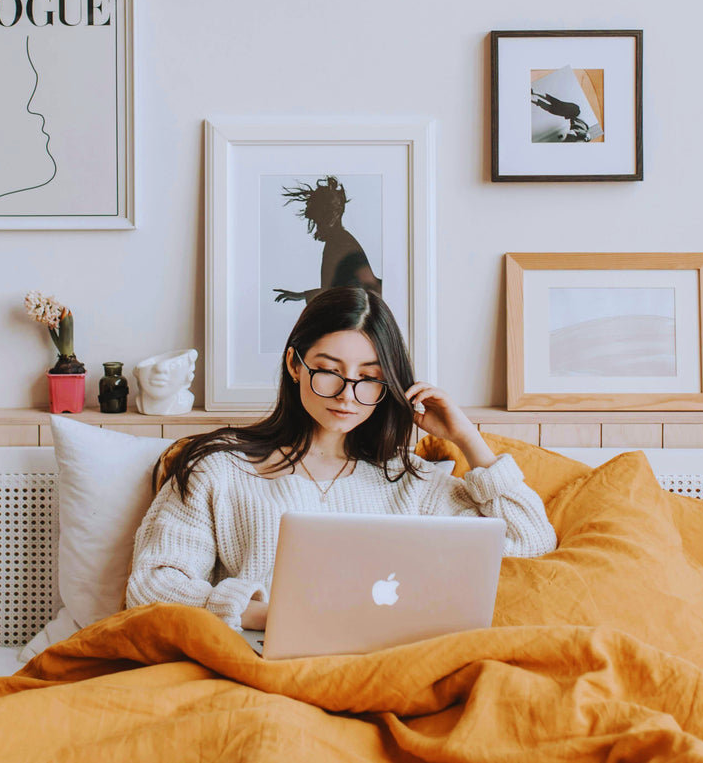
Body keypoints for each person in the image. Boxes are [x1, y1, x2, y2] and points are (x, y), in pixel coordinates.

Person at [126, 287, 556, 632]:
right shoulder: (221, 470)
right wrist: (267, 615)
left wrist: (466, 437)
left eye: (369, 379)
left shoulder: (412, 482)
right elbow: (153, 586)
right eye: (329, 371)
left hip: (387, 667)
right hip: (258, 662)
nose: (348, 396)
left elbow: (530, 542)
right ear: (295, 365)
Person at [272, 176, 382, 304]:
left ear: (329, 217)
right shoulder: (339, 241)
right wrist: (301, 296)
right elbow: (333, 290)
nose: (316, 226)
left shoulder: (339, 243)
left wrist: (301, 296)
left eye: (317, 221)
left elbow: (363, 288)